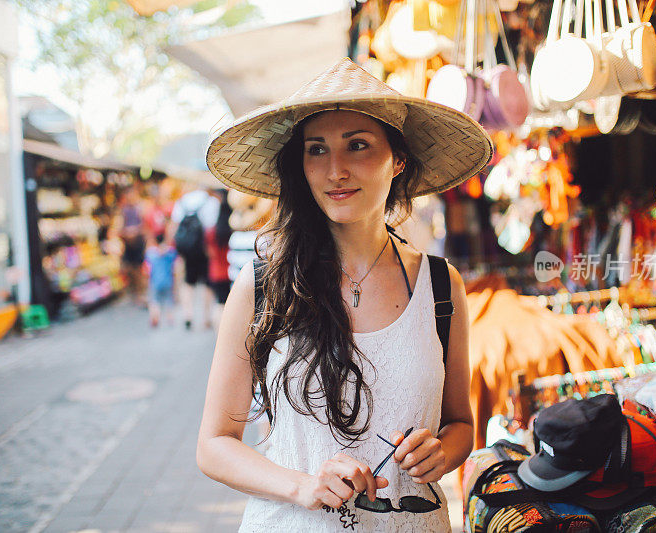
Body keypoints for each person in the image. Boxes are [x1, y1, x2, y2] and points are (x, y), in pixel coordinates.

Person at [196, 58, 493, 531]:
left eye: (357, 145)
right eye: (316, 150)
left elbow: (461, 424)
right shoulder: (264, 285)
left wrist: (441, 452)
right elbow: (214, 444)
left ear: (397, 160)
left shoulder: (440, 285)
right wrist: (302, 485)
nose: (335, 170)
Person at [169, 186, 220, 330]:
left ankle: (188, 315)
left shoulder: (183, 201)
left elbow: (174, 226)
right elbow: (212, 227)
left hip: (187, 249)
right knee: (207, 282)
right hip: (204, 249)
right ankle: (206, 317)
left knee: (188, 281)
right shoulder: (211, 202)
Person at [205, 189, 233, 322]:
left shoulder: (211, 232)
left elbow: (209, 252)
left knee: (220, 305)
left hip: (216, 272)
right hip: (231, 273)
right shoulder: (234, 231)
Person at [144, 233, 178, 327]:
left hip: (155, 282)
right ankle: (170, 318)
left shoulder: (151, 254)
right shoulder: (170, 253)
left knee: (154, 301)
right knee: (168, 300)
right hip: (168, 281)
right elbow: (176, 263)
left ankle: (155, 317)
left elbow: (146, 268)